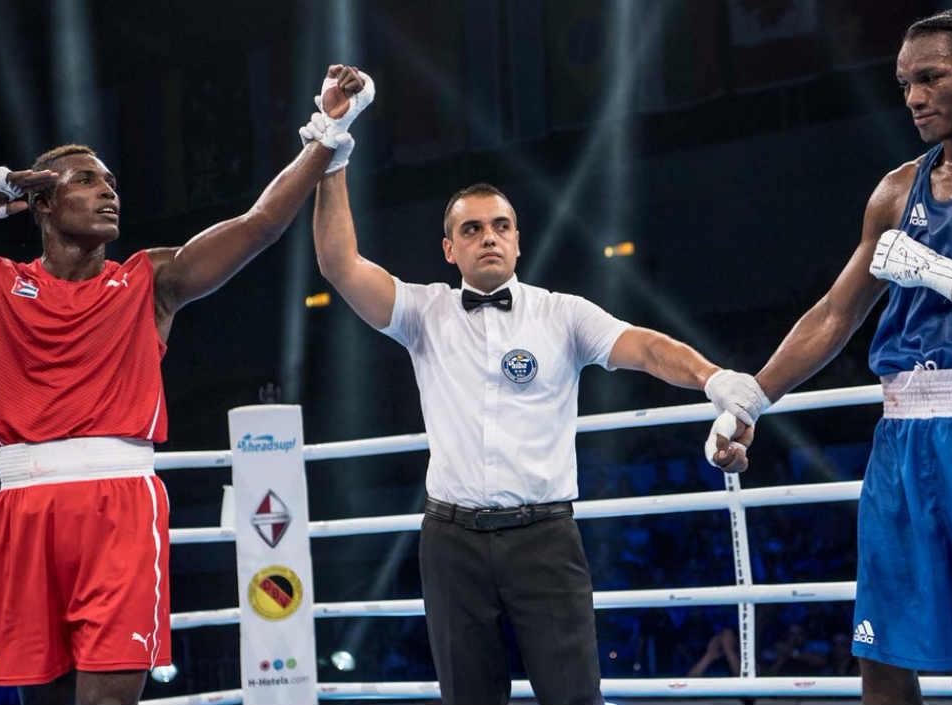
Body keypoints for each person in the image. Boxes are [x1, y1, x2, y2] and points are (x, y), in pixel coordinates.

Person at [0, 66, 371, 705]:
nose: (109, 192)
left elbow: (259, 225)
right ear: (43, 202)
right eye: (86, 180)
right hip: (26, 507)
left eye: (111, 181)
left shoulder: (151, 280)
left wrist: (328, 132)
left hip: (120, 505)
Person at [301, 65, 751, 705]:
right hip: (450, 541)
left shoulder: (562, 314)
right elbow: (339, 265)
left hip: (544, 539)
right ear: (449, 249)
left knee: (573, 697)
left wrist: (715, 379)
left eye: (500, 226)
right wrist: (335, 145)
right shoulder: (424, 312)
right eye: (472, 229)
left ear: (518, 241)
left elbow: (646, 346)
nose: (488, 237)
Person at [704, 9, 952, 703]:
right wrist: (749, 401)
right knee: (883, 657)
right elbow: (835, 314)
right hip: (905, 443)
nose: (913, 96)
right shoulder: (894, 190)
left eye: (930, 77)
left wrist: (939, 271)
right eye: (904, 83)